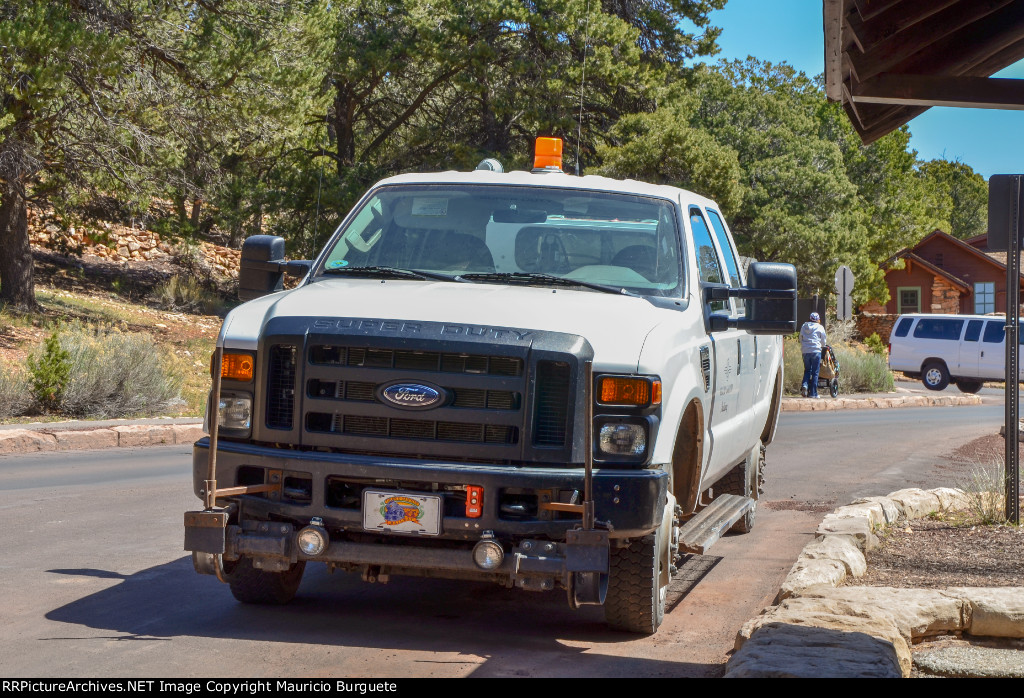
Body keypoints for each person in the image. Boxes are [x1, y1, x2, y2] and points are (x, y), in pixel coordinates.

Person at [800, 312, 827, 398]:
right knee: (815, 372)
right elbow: (823, 340)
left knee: (807, 370)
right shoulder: (820, 327)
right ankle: (813, 393)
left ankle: (805, 385)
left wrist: (804, 345)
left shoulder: (804, 326)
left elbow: (800, 337)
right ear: (818, 319)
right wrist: (822, 346)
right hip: (815, 351)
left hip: (805, 351)